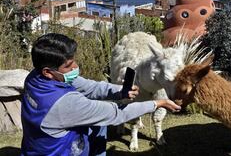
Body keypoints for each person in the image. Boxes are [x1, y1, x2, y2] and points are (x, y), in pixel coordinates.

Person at [21, 33, 181, 156]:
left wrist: (120, 91)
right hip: (60, 151)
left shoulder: (35, 77)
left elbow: (90, 87)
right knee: (102, 121)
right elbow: (116, 113)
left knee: (99, 127)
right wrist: (158, 103)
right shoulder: (66, 104)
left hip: (38, 145)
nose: (76, 67)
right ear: (48, 72)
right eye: (69, 66)